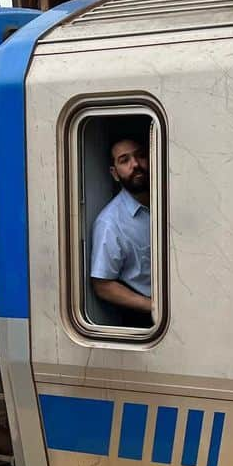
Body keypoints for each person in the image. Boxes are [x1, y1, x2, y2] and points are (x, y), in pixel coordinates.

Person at [90, 135, 153, 325]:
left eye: (140, 156)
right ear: (115, 173)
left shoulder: (172, 199)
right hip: (150, 321)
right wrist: (154, 306)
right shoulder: (110, 223)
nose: (135, 164)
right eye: (124, 160)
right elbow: (103, 285)